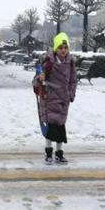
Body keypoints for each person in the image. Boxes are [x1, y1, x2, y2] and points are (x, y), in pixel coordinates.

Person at [35, 32, 77, 165]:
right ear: (55, 49)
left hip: (63, 101)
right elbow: (36, 81)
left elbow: (73, 81)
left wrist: (71, 94)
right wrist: (40, 78)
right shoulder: (48, 63)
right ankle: (48, 153)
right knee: (50, 129)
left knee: (60, 129)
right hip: (50, 100)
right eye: (60, 47)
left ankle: (59, 154)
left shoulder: (70, 63)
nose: (63, 50)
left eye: (65, 47)